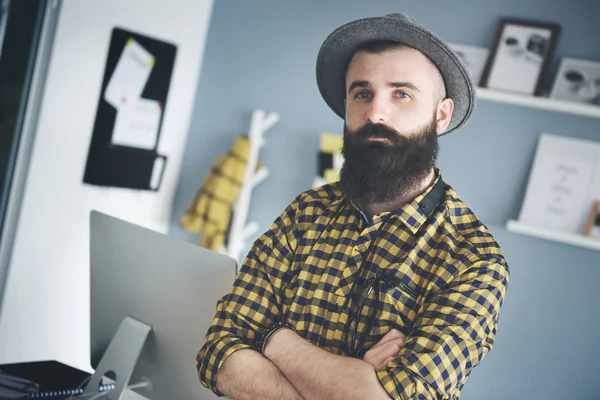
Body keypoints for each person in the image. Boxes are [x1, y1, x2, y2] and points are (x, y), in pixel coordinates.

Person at [196, 12, 510, 400]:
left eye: (402, 94)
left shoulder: (474, 260)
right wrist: (355, 380)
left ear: (440, 115)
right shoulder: (305, 214)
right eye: (362, 93)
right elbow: (217, 353)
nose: (376, 113)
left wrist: (271, 338)